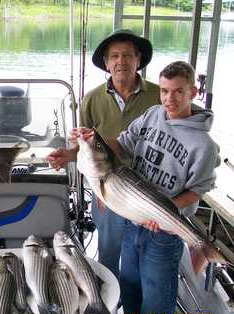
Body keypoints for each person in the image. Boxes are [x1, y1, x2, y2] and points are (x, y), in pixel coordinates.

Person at [72, 61, 220, 314]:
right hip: (134, 221)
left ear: (194, 91)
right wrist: (91, 138)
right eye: (164, 91)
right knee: (130, 288)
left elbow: (198, 190)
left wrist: (165, 211)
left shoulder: (204, 145)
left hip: (164, 232)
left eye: (179, 92)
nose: (169, 99)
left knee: (157, 302)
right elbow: (123, 146)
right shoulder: (153, 114)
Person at [47, 29, 160, 279]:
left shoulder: (159, 95)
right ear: (107, 63)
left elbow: (185, 117)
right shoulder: (90, 100)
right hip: (108, 190)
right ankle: (108, 306)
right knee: (109, 251)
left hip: (149, 189)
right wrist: (68, 155)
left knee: (146, 254)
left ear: (138, 59)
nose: (121, 61)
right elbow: (84, 149)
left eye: (128, 55)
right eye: (115, 56)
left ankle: (137, 304)